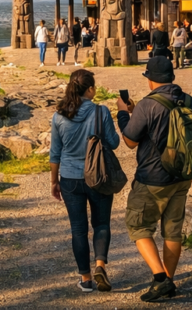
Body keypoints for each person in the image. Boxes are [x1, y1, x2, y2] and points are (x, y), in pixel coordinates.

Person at [115, 56, 192, 301]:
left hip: (153, 179)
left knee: (138, 226)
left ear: (150, 79)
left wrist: (123, 114)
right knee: (173, 232)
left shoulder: (148, 105)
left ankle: (160, 278)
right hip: (182, 175)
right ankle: (168, 281)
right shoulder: (189, 100)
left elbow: (129, 141)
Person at [50, 69, 121, 293]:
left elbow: (55, 153)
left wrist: (54, 181)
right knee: (101, 224)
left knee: (78, 230)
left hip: (70, 178)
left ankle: (86, 278)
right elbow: (114, 142)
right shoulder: (101, 112)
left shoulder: (59, 115)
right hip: (98, 176)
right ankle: (100, 264)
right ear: (89, 89)